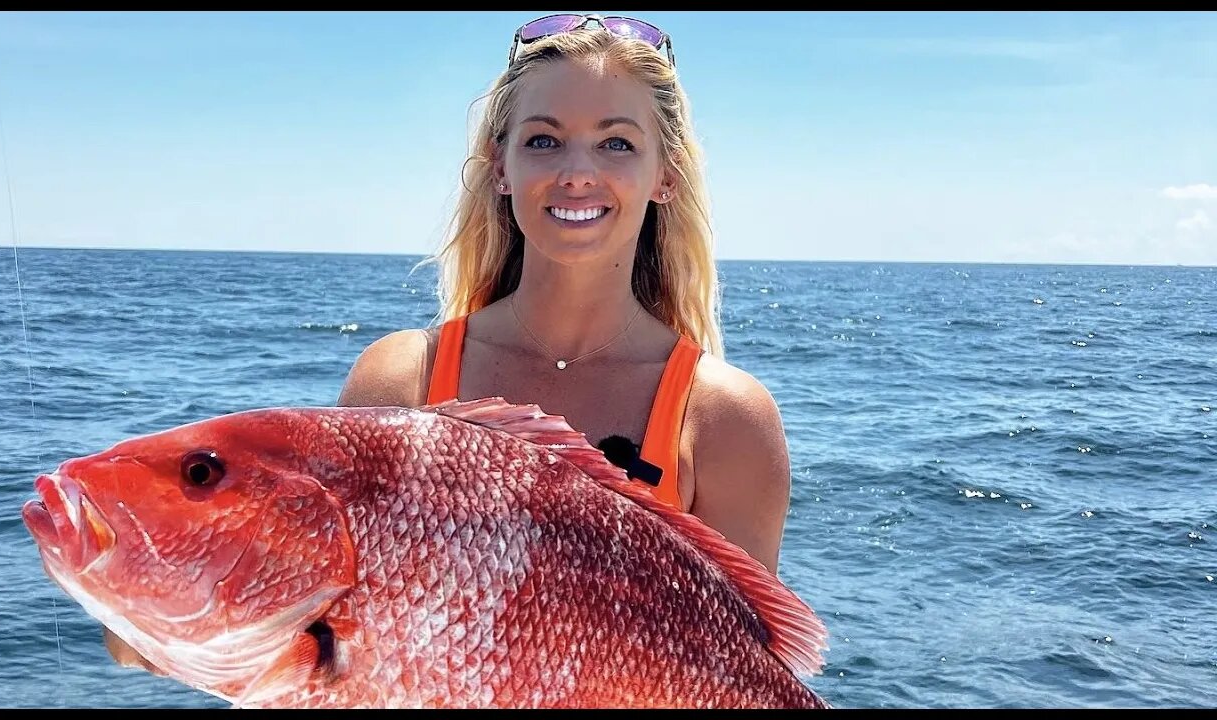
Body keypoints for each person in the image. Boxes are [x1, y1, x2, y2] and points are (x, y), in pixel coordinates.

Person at [105, 11, 794, 675]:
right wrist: (166, 613)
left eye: (617, 142)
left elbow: (747, 666)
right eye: (543, 140)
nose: (576, 172)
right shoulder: (404, 378)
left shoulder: (724, 419)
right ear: (500, 166)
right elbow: (342, 634)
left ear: (664, 175)